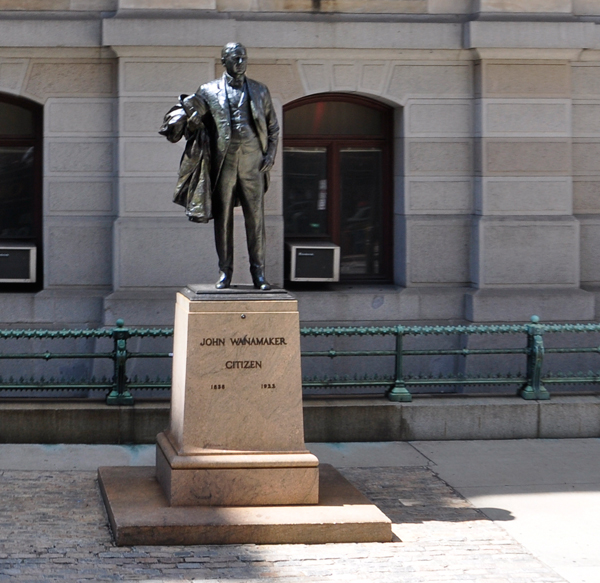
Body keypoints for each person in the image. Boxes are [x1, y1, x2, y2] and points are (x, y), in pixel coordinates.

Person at [160, 42, 279, 290]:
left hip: (253, 163)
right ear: (223, 61)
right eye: (235, 59)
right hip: (223, 162)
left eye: (243, 58)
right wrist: (191, 122)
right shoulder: (208, 90)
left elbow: (272, 128)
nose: (240, 63)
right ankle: (225, 272)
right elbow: (193, 125)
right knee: (223, 219)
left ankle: (259, 274)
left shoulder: (260, 90)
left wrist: (269, 156)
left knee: (255, 220)